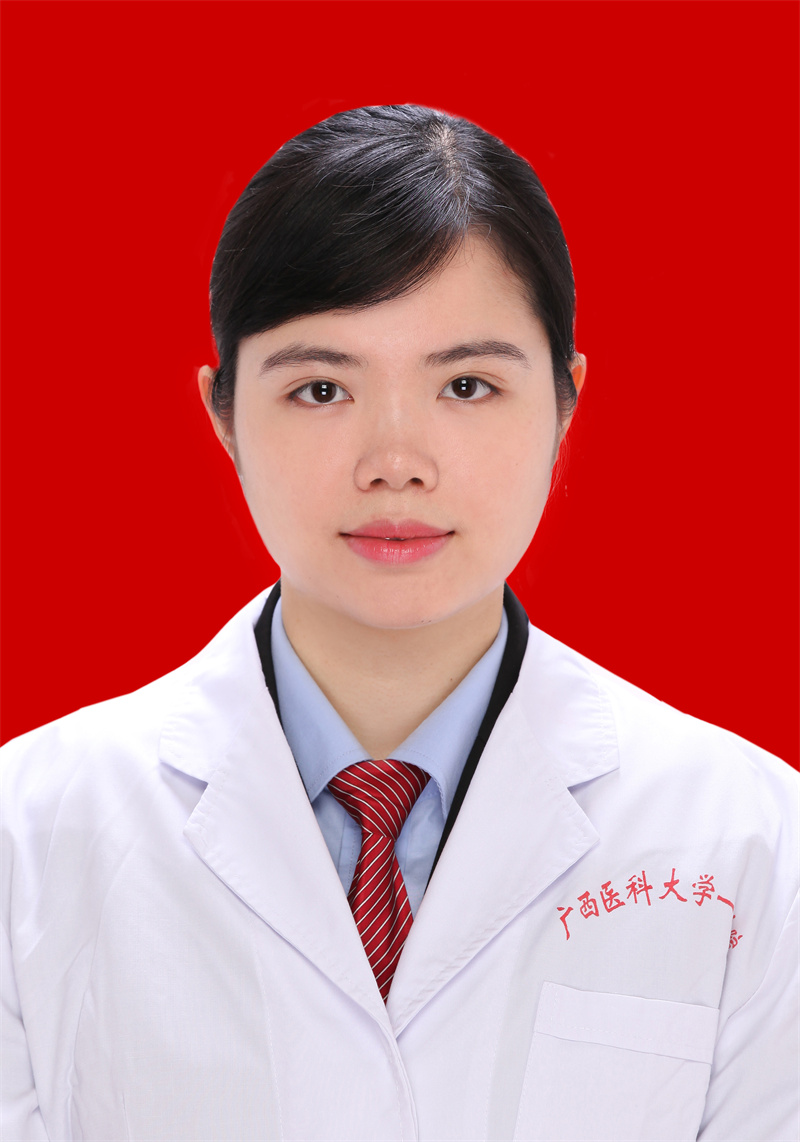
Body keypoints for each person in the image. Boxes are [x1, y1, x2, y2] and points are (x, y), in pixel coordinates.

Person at [1, 103, 797, 1142]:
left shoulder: (751, 838)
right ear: (222, 412)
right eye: (320, 388)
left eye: (466, 384)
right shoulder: (30, 832)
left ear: (565, 404)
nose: (394, 461)